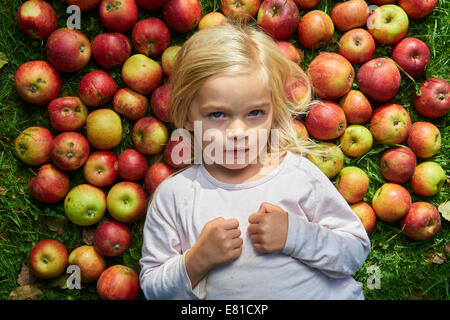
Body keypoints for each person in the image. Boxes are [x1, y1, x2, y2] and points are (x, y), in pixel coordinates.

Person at [139, 19, 371, 300]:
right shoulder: (175, 196)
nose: (238, 133)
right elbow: (153, 290)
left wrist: (296, 235)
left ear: (274, 111)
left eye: (255, 114)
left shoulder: (297, 174)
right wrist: (196, 261)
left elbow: (354, 251)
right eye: (217, 115)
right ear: (188, 116)